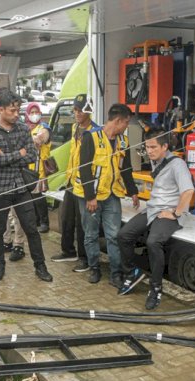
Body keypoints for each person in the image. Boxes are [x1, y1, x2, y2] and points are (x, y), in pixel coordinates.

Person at [117, 127, 194, 309]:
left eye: (153, 147)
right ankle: (132, 273)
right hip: (152, 210)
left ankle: (156, 287)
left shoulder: (177, 165)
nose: (149, 151)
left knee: (153, 242)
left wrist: (175, 213)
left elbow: (189, 191)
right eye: (147, 147)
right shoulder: (155, 161)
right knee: (123, 235)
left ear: (164, 146)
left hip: (168, 213)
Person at [0, 90, 53, 283]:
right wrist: (17, 153)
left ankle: (40, 266)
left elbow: (31, 155)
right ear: (0, 109)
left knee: (31, 228)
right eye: (12, 111)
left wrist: (5, 154)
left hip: (21, 187)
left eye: (17, 110)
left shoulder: (22, 129)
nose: (16, 114)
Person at [74, 103, 139, 288]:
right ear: (117, 121)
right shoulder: (91, 137)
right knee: (91, 234)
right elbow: (84, 168)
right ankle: (94, 268)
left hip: (112, 195)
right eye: (126, 122)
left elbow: (125, 168)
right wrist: (90, 197)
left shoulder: (123, 141)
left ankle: (116, 273)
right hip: (91, 195)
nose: (127, 126)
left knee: (114, 235)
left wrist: (133, 191)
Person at [51, 94, 96, 271]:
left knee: (82, 223)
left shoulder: (94, 132)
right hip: (71, 180)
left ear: (88, 111)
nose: (77, 113)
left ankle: (84, 258)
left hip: (84, 184)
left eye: (80, 110)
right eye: (75, 110)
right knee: (66, 218)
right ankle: (68, 251)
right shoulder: (75, 128)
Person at [25, 102, 51, 233]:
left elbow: (41, 139)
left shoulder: (44, 127)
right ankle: (35, 221)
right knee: (30, 198)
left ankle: (44, 222)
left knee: (38, 197)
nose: (34, 115)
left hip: (39, 169)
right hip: (28, 169)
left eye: (37, 112)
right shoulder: (26, 128)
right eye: (32, 112)